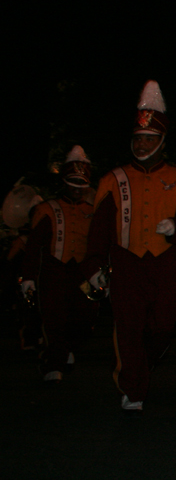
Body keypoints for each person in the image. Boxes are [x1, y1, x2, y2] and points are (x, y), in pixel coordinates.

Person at [82, 80, 176, 414]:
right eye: (138, 139)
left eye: (149, 139)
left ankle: (140, 366)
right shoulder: (113, 179)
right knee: (128, 327)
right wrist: (94, 268)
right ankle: (133, 387)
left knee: (163, 328)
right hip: (126, 263)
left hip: (166, 264)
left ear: (162, 142)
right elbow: (98, 230)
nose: (141, 145)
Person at [20, 146, 97, 382]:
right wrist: (29, 277)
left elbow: (99, 246)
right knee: (54, 319)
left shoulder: (92, 212)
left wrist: (101, 273)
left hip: (82, 275)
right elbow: (34, 246)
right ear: (64, 182)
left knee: (85, 318)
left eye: (81, 184)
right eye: (73, 183)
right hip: (54, 273)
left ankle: (66, 348)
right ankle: (53, 364)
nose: (76, 189)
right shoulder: (47, 210)